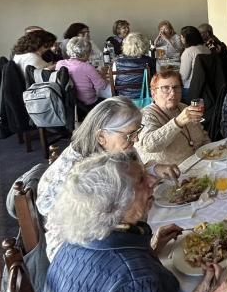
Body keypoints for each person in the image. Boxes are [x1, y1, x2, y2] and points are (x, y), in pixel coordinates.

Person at [42, 151, 221, 292]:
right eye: (141, 181)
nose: (152, 181)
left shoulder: (75, 240)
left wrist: (152, 248)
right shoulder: (134, 280)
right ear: (116, 204)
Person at [37, 97, 180, 260]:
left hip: (130, 238)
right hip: (95, 260)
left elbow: (131, 175)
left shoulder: (119, 151)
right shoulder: (72, 179)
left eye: (137, 132)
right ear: (101, 137)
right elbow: (60, 247)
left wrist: (152, 168)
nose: (136, 140)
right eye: (130, 135)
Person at [137, 70, 210, 166]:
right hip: (173, 174)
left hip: (201, 164)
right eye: (165, 88)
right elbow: (148, 145)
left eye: (176, 87)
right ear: (154, 93)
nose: (172, 93)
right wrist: (178, 122)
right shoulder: (146, 115)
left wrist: (210, 151)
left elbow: (202, 134)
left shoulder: (183, 107)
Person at [55, 37, 108, 109]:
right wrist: (103, 75)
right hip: (88, 104)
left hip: (68, 105)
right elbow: (102, 86)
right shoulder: (87, 67)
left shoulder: (59, 64)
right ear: (86, 53)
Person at [114, 32, 157, 99]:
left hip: (123, 99)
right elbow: (155, 81)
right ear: (144, 45)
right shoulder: (150, 61)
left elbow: (115, 83)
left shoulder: (117, 62)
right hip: (145, 98)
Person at [179, 25, 211, 91]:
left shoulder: (188, 52)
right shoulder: (206, 49)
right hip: (207, 87)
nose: (180, 38)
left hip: (190, 88)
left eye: (182, 37)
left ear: (187, 38)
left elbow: (183, 77)